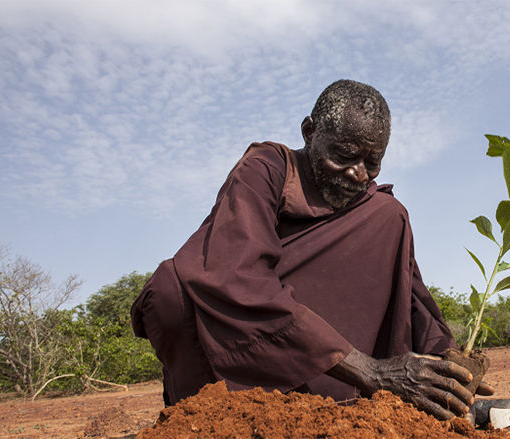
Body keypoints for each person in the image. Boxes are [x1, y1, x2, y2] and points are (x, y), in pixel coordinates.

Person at [131, 79, 491, 420]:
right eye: (344, 156)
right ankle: (202, 410)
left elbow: (411, 294)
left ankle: (340, 401)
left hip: (316, 360)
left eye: (372, 163)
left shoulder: (375, 210)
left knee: (389, 214)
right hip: (234, 346)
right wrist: (372, 372)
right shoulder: (266, 170)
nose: (358, 174)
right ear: (310, 132)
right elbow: (237, 277)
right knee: (170, 288)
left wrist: (449, 371)